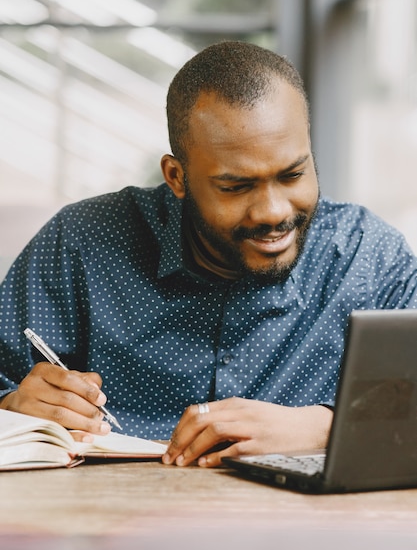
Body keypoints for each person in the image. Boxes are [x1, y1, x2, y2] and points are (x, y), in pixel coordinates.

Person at [1, 41, 417, 468]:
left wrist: (327, 427)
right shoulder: (81, 243)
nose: (273, 211)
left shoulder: (369, 259)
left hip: (310, 533)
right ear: (177, 177)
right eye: (236, 187)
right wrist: (12, 407)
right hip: (111, 527)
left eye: (293, 174)